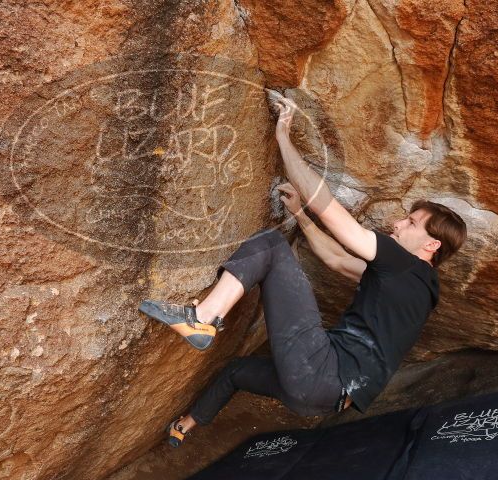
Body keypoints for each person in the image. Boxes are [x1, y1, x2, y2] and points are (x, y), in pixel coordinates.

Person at [139, 96, 467, 447]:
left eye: (412, 222)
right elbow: (338, 260)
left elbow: (331, 212)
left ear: (431, 245)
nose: (397, 224)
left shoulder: (404, 263)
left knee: (271, 245)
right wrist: (299, 215)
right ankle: (183, 427)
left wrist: (283, 137)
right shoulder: (417, 287)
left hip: (323, 370)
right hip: (321, 399)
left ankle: (203, 317)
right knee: (236, 371)